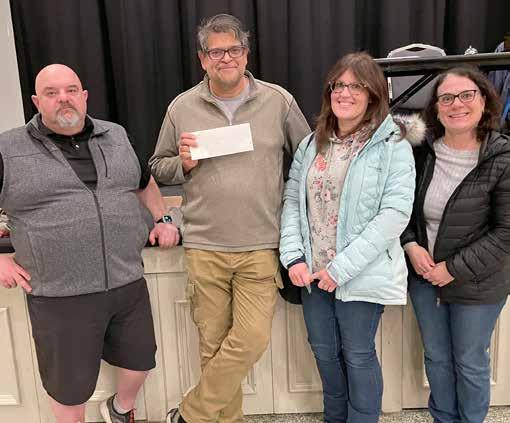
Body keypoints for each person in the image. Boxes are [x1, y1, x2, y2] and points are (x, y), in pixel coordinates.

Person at [149, 13, 310, 423]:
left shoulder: (279, 101)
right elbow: (158, 165)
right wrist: (182, 164)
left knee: (251, 339)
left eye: (234, 50)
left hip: (260, 245)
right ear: (203, 59)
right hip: (204, 247)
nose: (226, 58)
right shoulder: (182, 107)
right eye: (216, 52)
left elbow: (308, 159)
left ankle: (190, 413)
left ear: (246, 54)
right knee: (213, 346)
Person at [0, 64, 180, 423]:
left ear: (84, 96)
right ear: (36, 101)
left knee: (141, 361)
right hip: (59, 294)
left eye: (71, 90)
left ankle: (120, 409)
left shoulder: (116, 135)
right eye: (51, 93)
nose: (63, 99)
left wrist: (162, 219)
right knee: (70, 388)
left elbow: (144, 181)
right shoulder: (8, 148)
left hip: (127, 282)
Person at [280, 52, 420, 423]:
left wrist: (340, 269)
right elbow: (293, 201)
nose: (345, 93)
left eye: (356, 86)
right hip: (312, 274)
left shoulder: (392, 145)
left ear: (373, 94)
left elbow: (394, 215)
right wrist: (294, 257)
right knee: (324, 352)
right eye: (338, 85)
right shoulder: (311, 144)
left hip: (359, 272)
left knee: (357, 354)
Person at [402, 66, 510, 423]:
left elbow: (506, 233)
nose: (456, 104)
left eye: (466, 95)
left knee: (469, 360)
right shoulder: (421, 153)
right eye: (446, 98)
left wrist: (452, 268)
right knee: (436, 357)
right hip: (425, 277)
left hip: (478, 282)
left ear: (484, 101)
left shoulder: (503, 157)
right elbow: (400, 210)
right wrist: (410, 245)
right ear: (435, 107)